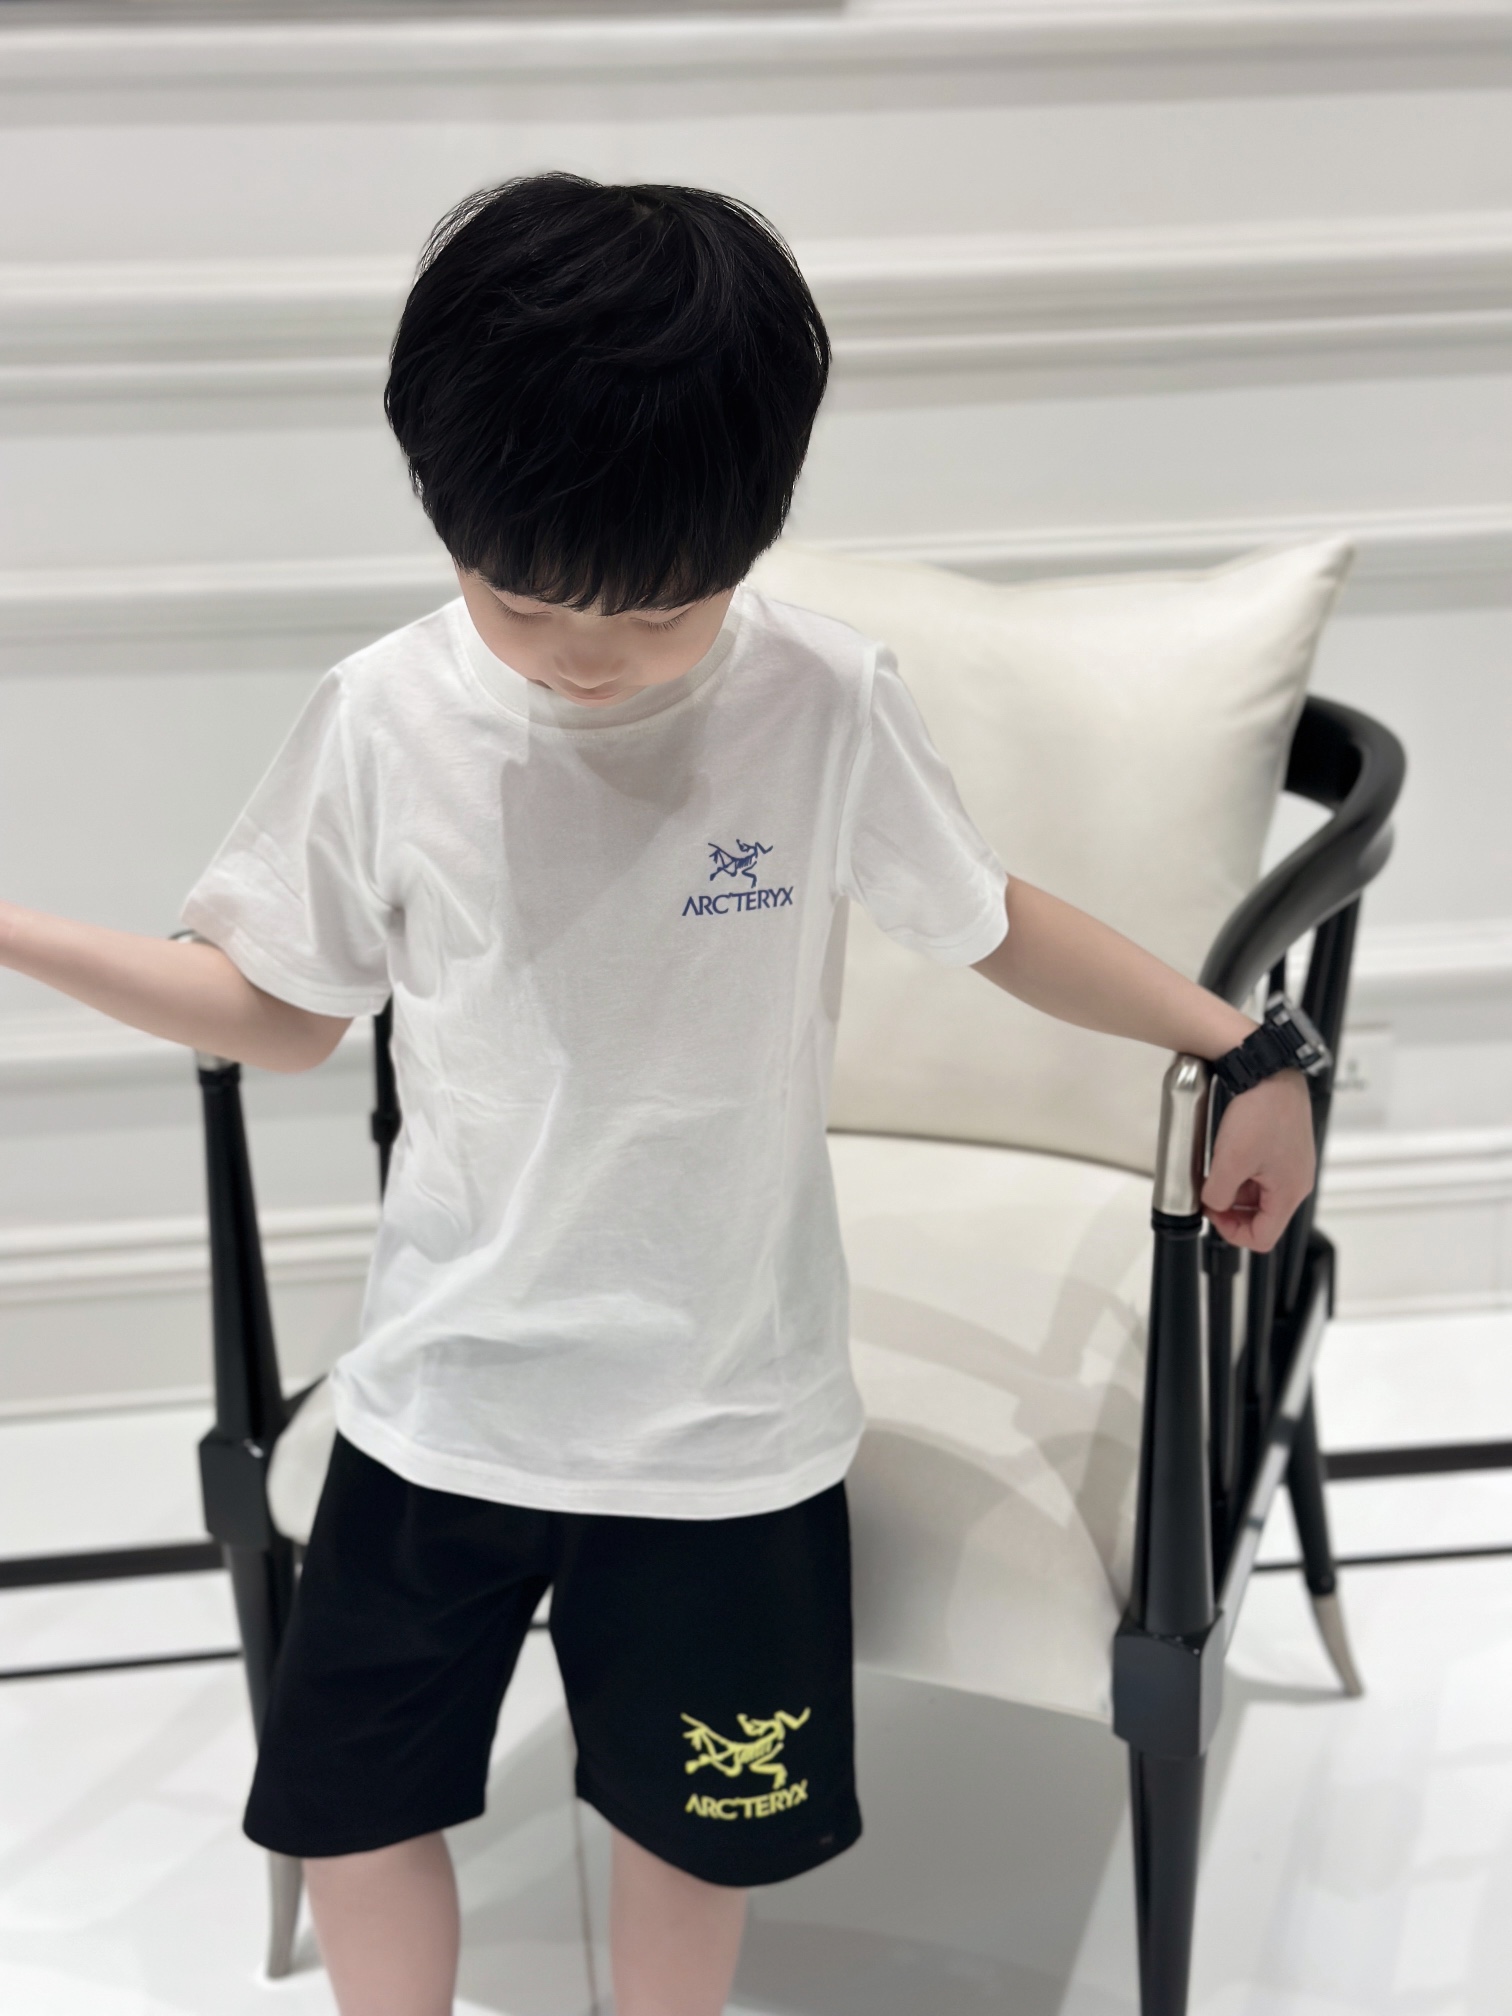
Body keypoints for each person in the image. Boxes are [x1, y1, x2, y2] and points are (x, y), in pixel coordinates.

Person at [0, 174, 1316, 2016]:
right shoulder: (383, 717)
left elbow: (993, 920)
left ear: (755, 534)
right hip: (439, 1402)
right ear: (443, 509)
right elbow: (281, 1015)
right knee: (354, 1802)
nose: (586, 657)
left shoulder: (823, 703)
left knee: (693, 1832)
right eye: (523, 599)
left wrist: (1242, 1046)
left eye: (665, 608)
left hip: (725, 1434)